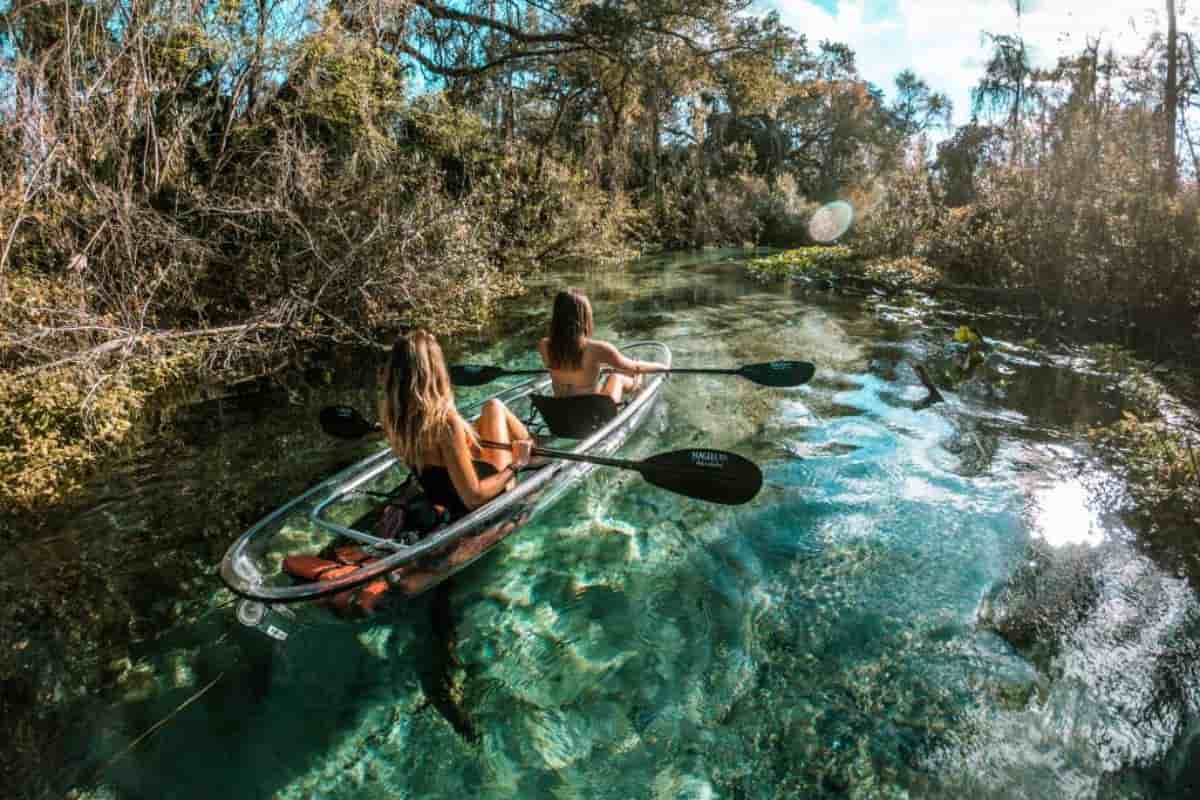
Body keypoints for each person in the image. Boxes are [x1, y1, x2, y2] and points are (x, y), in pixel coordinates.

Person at [379, 331, 533, 517]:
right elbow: (474, 499)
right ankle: (531, 454)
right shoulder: (445, 423)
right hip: (485, 499)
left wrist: (466, 436)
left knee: (492, 408)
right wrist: (516, 464)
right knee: (496, 407)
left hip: (447, 496)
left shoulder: (393, 419)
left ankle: (530, 450)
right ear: (435, 370)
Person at [537, 288, 668, 404]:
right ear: (584, 317)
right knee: (617, 377)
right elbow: (634, 367)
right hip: (594, 414)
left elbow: (571, 363)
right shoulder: (597, 349)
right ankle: (637, 385)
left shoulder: (544, 345)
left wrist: (603, 365)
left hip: (561, 413)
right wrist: (662, 367)